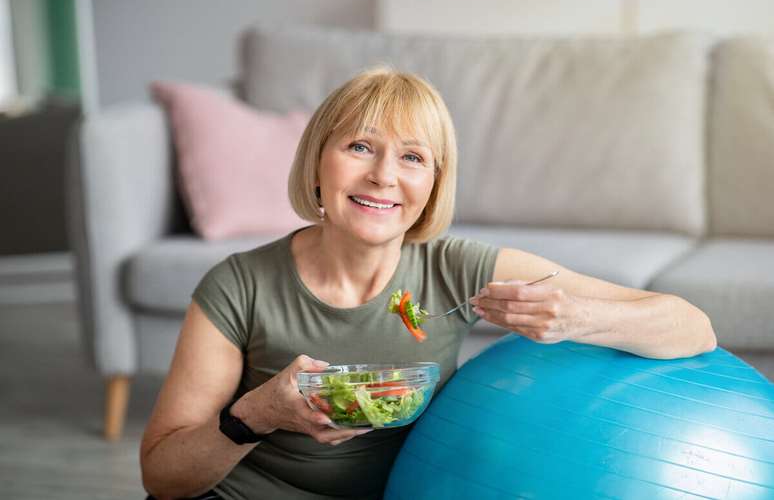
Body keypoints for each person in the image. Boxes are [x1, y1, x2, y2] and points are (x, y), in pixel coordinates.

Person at [140, 67, 716, 500]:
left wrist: (575, 319)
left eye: (412, 157)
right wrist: (260, 412)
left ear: (434, 184)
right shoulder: (238, 285)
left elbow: (692, 327)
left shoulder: (456, 269)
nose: (383, 176)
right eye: (359, 146)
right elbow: (163, 477)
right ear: (319, 162)